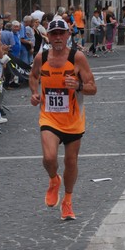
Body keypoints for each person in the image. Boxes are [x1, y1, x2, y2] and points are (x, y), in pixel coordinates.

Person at [29, 18, 97, 220]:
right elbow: (33, 77)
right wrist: (34, 93)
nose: (58, 37)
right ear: (48, 36)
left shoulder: (77, 58)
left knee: (70, 161)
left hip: (73, 120)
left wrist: (77, 86)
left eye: (61, 33)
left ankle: (67, 200)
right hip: (49, 117)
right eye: (54, 34)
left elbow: (93, 88)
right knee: (49, 158)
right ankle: (53, 180)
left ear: (68, 35)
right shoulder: (41, 57)